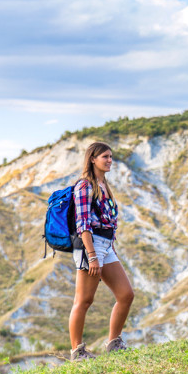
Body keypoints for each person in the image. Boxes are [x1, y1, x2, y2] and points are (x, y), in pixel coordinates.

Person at [68, 142, 135, 361]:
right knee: (84, 300)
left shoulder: (104, 185)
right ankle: (77, 352)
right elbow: (83, 225)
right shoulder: (84, 187)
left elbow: (108, 221)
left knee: (126, 294)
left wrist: (110, 247)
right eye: (105, 156)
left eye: (111, 157)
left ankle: (114, 343)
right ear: (92, 159)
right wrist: (93, 256)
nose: (109, 161)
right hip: (91, 245)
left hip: (106, 245)